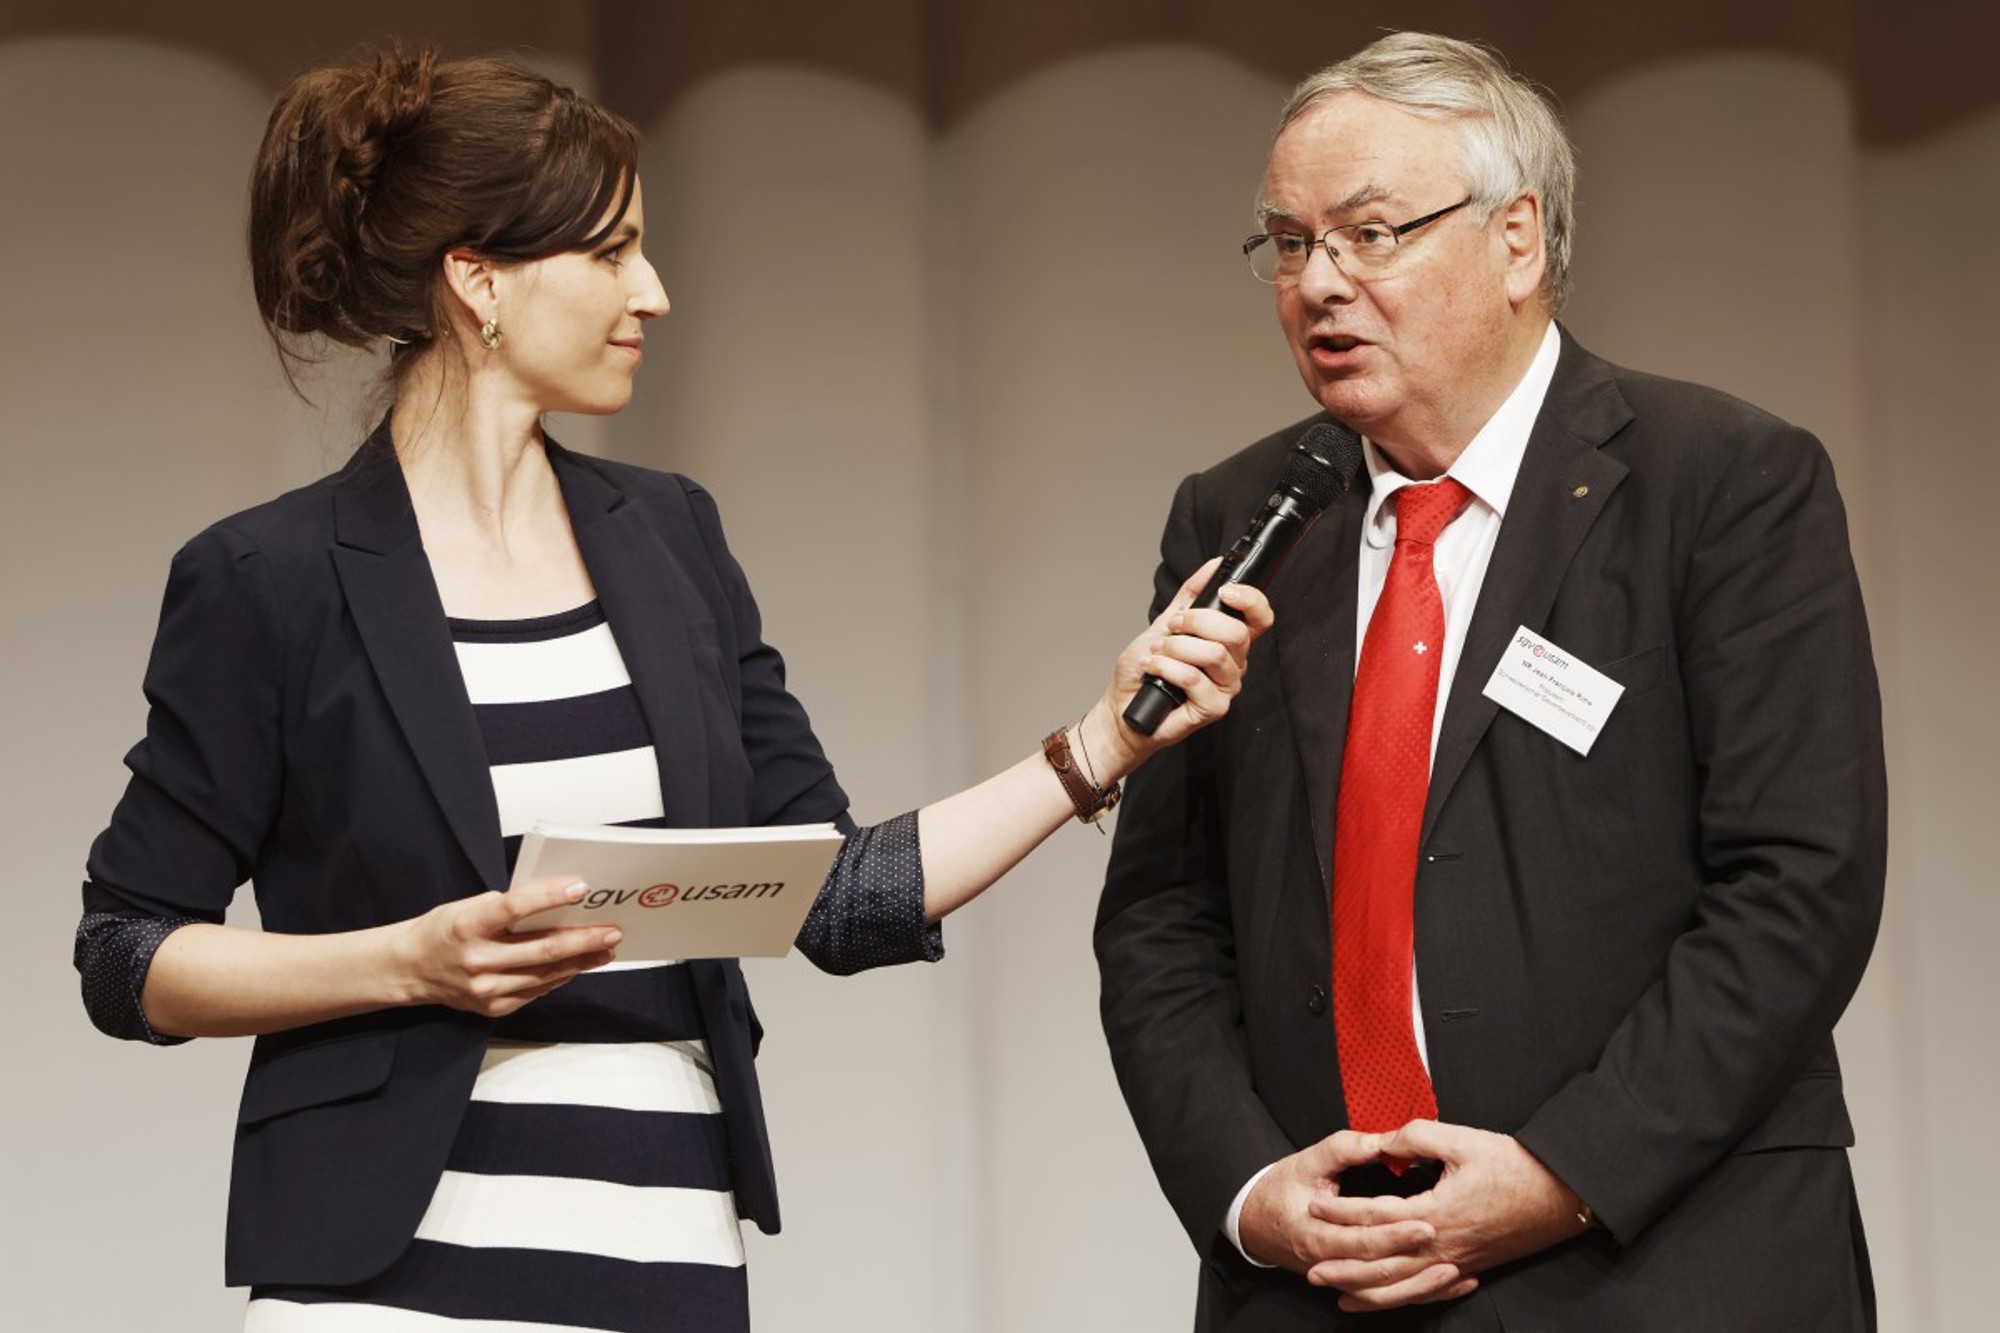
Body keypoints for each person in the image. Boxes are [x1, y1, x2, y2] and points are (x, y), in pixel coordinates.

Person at [72, 46, 1271, 1332]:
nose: (652, 292)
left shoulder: (671, 539)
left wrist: (1098, 744)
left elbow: (833, 895)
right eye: (610, 253)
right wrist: (408, 962)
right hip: (384, 1279)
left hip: (660, 1244)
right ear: (478, 280)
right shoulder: (272, 576)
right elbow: (128, 951)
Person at [1095, 31, 1884, 1332]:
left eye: (1369, 234)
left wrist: (1561, 1173)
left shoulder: (1723, 482)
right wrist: (1250, 1194)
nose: (1319, 284)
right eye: (1288, 245)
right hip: (1326, 1283)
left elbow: (1800, 884)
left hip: (1663, 1263)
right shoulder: (1240, 517)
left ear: (1516, 240)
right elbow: (1162, 918)